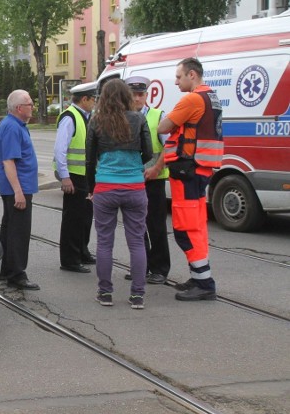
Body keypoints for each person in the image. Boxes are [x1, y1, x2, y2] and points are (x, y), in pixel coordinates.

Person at [158, 57, 223, 301]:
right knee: (196, 225)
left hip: (188, 171)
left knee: (185, 229)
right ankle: (199, 277)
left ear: (192, 75)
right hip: (200, 170)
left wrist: (175, 127)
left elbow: (162, 127)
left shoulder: (193, 99)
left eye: (179, 76)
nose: (176, 82)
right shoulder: (211, 97)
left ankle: (204, 283)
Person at [86, 79, 153, 308]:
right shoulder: (139, 118)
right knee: (136, 242)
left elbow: (89, 158)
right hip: (135, 186)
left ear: (104, 97)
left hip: (105, 186)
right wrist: (132, 166)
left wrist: (90, 188)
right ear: (127, 96)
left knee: (105, 243)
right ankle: (137, 295)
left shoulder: (96, 120)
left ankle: (105, 293)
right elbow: (148, 153)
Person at [125, 75, 171, 285]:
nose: (137, 98)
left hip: (154, 181)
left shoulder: (158, 116)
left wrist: (156, 168)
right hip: (131, 181)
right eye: (133, 94)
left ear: (146, 95)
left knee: (156, 226)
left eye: (141, 94)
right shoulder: (123, 117)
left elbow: (169, 147)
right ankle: (141, 266)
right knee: (136, 227)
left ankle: (160, 268)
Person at [0, 89, 40, 290]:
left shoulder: (15, 125)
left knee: (10, 229)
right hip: (18, 188)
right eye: (30, 103)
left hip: (16, 187)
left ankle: (5, 270)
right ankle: (17, 275)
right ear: (19, 108)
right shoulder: (12, 127)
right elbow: (9, 162)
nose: (32, 107)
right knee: (19, 232)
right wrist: (18, 192)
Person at [54, 80, 98, 273]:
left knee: (86, 216)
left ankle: (82, 251)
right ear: (85, 99)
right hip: (73, 177)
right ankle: (70, 260)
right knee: (73, 219)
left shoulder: (86, 116)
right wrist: (64, 177)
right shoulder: (69, 117)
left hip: (85, 177)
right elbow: (59, 150)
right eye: (93, 99)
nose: (95, 102)